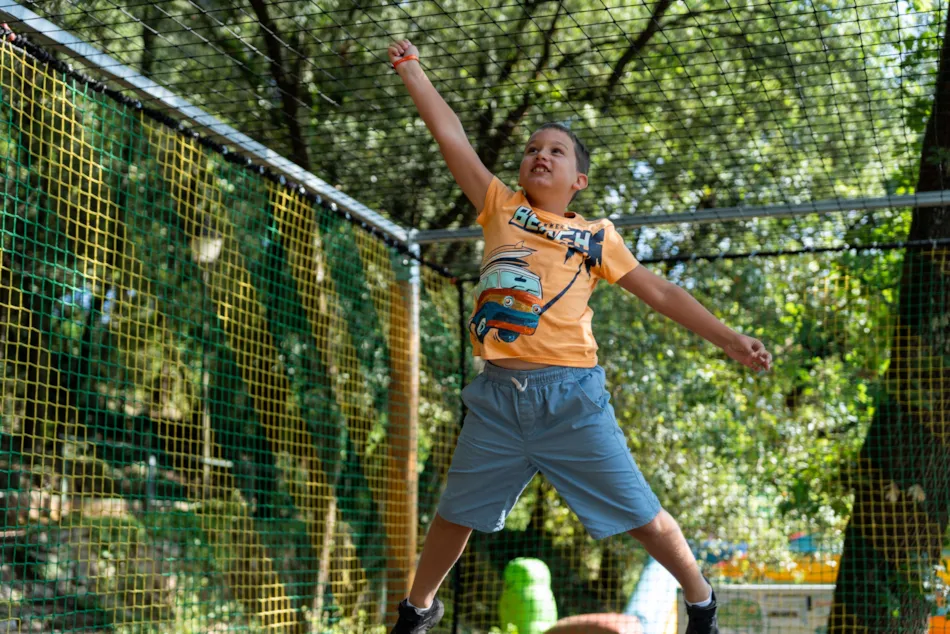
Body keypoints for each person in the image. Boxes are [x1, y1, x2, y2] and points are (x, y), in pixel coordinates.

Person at [387, 39, 772, 634]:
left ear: (579, 179)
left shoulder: (596, 237)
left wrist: (727, 338)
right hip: (496, 402)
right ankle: (416, 610)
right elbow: (451, 137)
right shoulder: (499, 206)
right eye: (533, 148)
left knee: (642, 515)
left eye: (557, 151)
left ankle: (701, 602)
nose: (541, 154)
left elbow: (662, 293)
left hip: (572, 401)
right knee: (454, 513)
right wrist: (412, 69)